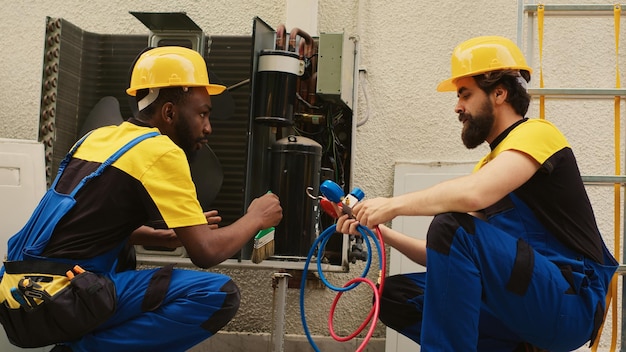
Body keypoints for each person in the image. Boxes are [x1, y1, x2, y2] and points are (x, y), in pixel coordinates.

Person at [336, 36, 618, 351]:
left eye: (465, 94)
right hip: (524, 301)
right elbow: (450, 257)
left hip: (570, 301)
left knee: (449, 224)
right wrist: (380, 230)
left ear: (499, 93)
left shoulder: (537, 134)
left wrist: (392, 205)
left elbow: (473, 197)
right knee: (394, 295)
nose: (458, 106)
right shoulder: (489, 166)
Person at [0, 46, 282, 352]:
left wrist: (162, 237)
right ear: (170, 112)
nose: (208, 127)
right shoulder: (162, 152)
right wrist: (256, 217)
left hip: (17, 295)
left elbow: (81, 224)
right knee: (217, 295)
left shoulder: (98, 138)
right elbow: (205, 253)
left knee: (124, 253)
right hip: (60, 299)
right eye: (202, 113)